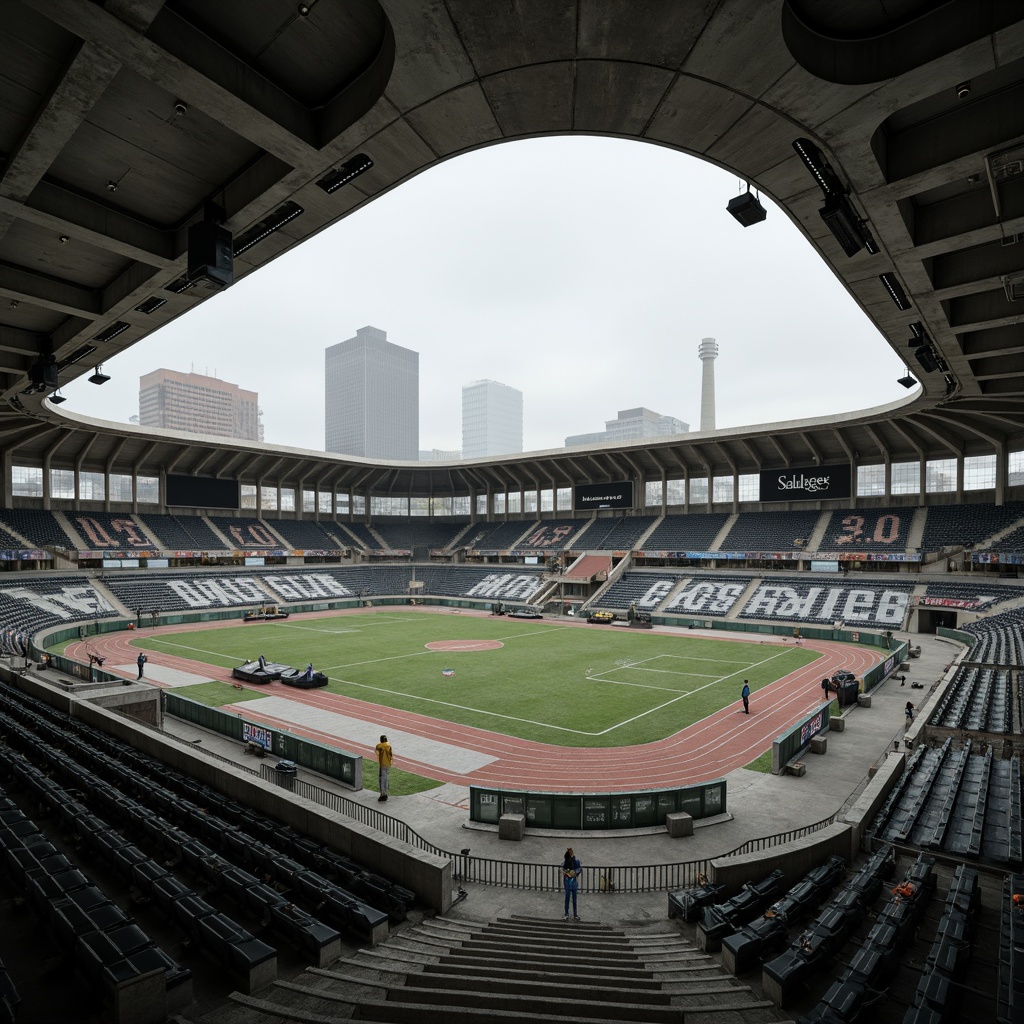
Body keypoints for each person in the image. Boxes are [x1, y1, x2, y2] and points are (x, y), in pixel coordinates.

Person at [561, 846, 582, 921]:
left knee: (570, 898)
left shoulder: (570, 860)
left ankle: (569, 914)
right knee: (572, 898)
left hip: (569, 881)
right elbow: (579, 869)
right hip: (571, 881)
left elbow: (563, 867)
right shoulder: (573, 860)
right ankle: (573, 914)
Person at [375, 734, 393, 801]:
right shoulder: (389, 746)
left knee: (382, 779)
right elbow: (391, 755)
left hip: (382, 764)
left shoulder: (379, 746)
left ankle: (383, 794)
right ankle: (386, 793)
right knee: (387, 778)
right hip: (388, 764)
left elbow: (377, 752)